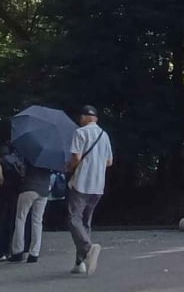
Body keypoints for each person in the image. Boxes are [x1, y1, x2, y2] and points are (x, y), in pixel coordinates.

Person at [64, 104, 112, 277]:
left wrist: (69, 166)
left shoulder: (80, 133)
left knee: (73, 218)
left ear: (84, 117)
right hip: (98, 185)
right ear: (96, 119)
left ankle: (88, 248)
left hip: (82, 182)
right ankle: (80, 263)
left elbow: (76, 157)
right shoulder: (104, 135)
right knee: (85, 222)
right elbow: (109, 162)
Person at [7, 152, 54, 264]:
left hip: (29, 187)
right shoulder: (51, 158)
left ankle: (18, 251)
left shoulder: (31, 153)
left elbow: (22, 170)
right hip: (44, 190)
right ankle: (34, 253)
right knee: (37, 221)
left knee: (20, 218)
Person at [0, 144, 25, 261]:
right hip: (17, 192)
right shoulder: (17, 160)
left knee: (1, 220)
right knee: (13, 220)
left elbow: (0, 178)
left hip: (5, 193)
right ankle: (12, 249)